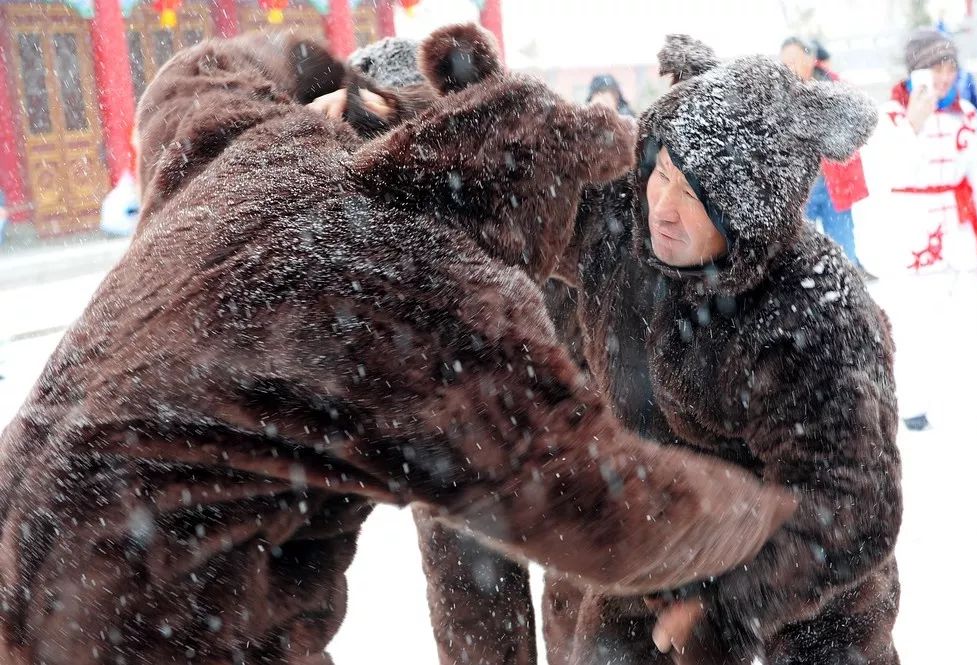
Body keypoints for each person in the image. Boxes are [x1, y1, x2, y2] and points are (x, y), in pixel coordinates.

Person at [0, 26, 794, 665]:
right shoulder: (432, 289)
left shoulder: (257, 143)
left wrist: (321, 76)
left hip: (20, 525)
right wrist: (768, 517)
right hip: (147, 611)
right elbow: (599, 505)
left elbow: (196, 72)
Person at [419, 34, 902, 665]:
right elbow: (526, 168)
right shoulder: (622, 223)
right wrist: (464, 97)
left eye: (695, 197)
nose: (664, 209)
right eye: (663, 174)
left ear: (748, 216)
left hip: (797, 590)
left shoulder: (814, 314)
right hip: (656, 549)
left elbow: (851, 503)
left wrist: (727, 606)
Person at [864, 29, 977, 434]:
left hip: (958, 234)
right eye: (935, 68)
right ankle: (913, 405)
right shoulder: (888, 117)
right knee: (912, 328)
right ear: (916, 70)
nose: (944, 77)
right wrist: (913, 125)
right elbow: (885, 176)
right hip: (912, 236)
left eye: (950, 67)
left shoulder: (966, 115)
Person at [781, 36, 870, 273]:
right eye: (785, 61)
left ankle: (849, 283)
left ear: (810, 59)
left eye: (794, 60)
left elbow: (857, 125)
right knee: (800, 255)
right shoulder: (779, 95)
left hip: (834, 185)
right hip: (800, 190)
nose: (789, 66)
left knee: (844, 248)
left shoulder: (835, 87)